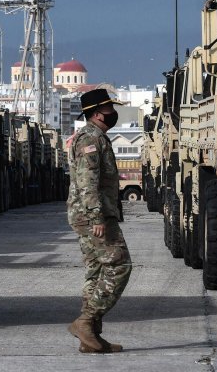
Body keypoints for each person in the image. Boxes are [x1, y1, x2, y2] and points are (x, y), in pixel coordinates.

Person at [66, 89, 132, 353]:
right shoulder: (90, 139)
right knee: (119, 265)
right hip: (93, 215)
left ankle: (90, 338)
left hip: (91, 214)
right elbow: (87, 182)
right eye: (109, 109)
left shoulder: (96, 137)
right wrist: (97, 217)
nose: (113, 114)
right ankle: (85, 321)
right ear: (96, 113)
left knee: (96, 271)